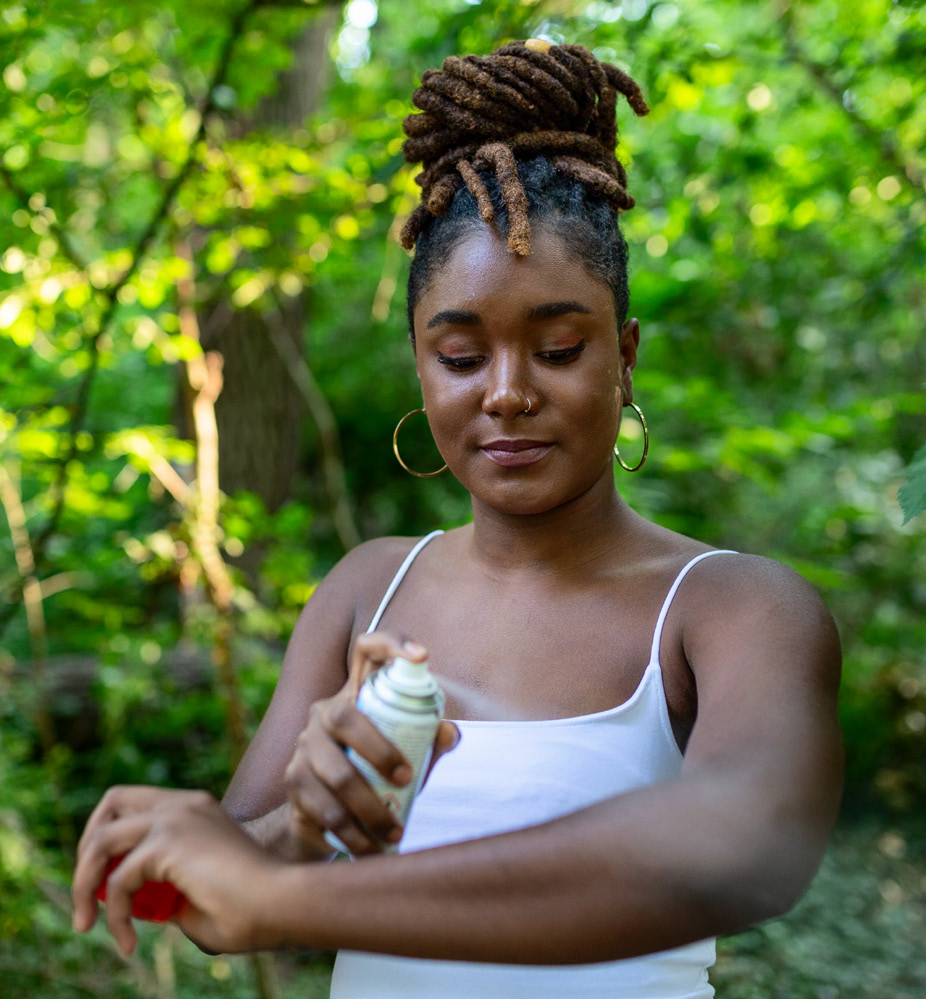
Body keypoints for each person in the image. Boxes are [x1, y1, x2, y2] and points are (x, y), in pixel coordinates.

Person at [72, 40, 843, 998]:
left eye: (558, 348)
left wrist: (291, 901)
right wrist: (299, 834)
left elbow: (750, 841)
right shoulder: (368, 587)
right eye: (462, 357)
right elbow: (227, 891)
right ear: (419, 364)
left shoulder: (730, 607)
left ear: (624, 354)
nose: (509, 393)